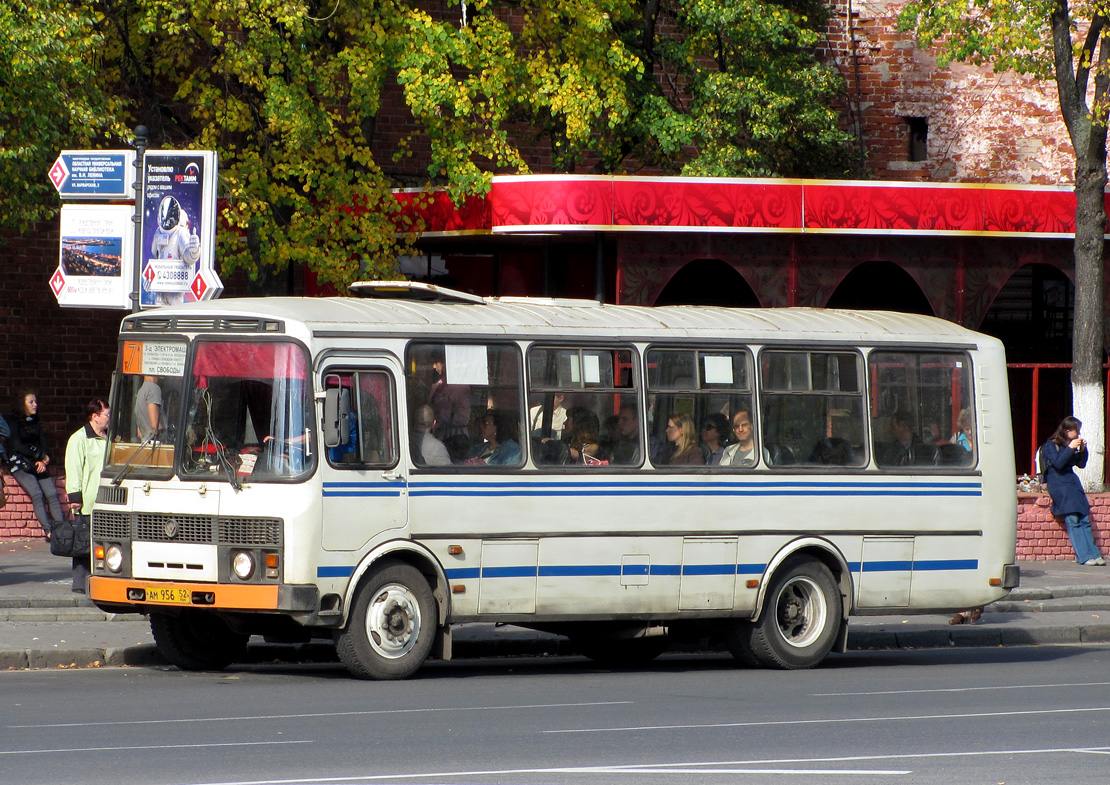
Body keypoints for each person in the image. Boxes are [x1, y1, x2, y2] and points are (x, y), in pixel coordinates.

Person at [1042, 416, 1106, 566]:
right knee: (1072, 520)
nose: (1077, 435)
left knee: (1084, 518)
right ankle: (1083, 557)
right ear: (1067, 430)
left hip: (1072, 483)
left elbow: (1080, 464)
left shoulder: (1068, 445)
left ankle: (1095, 554)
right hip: (1059, 485)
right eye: (1075, 432)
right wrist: (1070, 448)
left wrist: (1083, 450)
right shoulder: (1051, 445)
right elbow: (1058, 463)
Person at [4, 390, 63, 539]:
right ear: (22, 404)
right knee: (37, 494)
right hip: (20, 463)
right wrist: (40, 456)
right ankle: (48, 531)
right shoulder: (13, 422)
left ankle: (62, 530)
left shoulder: (36, 421)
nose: (35, 405)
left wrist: (43, 459)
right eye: (31, 402)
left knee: (52, 494)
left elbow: (43, 441)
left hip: (37, 463)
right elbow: (17, 445)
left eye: (35, 401)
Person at [64, 398, 110, 593]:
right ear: (95, 417)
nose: (110, 418)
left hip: (108, 501)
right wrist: (75, 497)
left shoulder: (110, 438)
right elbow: (73, 468)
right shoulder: (79, 439)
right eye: (107, 414)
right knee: (83, 543)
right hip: (88, 501)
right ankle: (80, 584)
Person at [134, 375, 161, 441]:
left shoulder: (141, 390)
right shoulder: (153, 388)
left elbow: (139, 432)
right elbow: (154, 426)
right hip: (155, 445)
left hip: (145, 443)